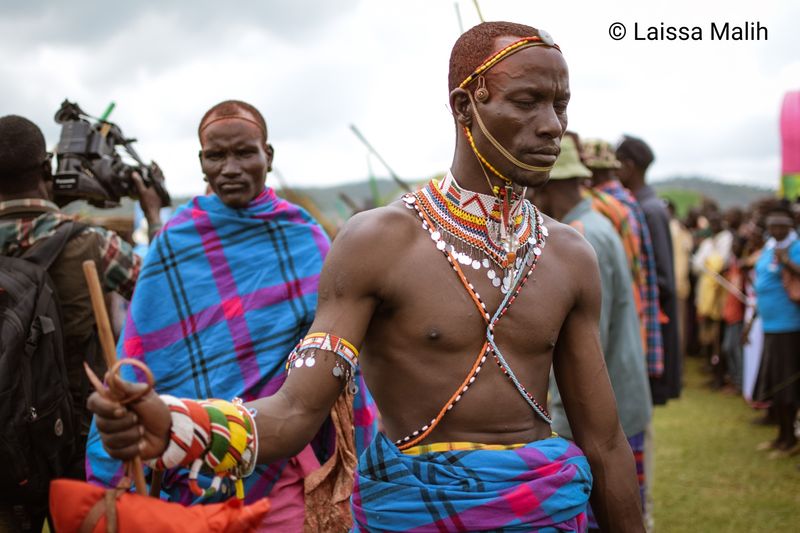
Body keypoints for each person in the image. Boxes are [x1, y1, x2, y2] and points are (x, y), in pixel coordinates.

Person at [89, 22, 645, 531]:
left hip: (546, 513)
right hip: (410, 514)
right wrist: (177, 424)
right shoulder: (377, 243)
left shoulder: (569, 253)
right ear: (465, 105)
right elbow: (296, 410)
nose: (552, 126)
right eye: (528, 102)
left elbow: (605, 443)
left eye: (560, 105)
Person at [84, 100, 377, 531]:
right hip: (187, 464)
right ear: (201, 162)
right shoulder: (174, 242)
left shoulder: (303, 238)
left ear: (268, 157)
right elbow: (144, 353)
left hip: (280, 458)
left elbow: (335, 353)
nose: (231, 168)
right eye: (216, 156)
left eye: (244, 153)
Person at [0, 115, 162, 532]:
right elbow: (163, 296)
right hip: (73, 439)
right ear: (47, 170)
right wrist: (154, 217)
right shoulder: (91, 242)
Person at [534, 134, 652, 530]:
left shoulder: (582, 237)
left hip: (603, 420)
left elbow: (584, 355)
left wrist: (562, 432)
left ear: (546, 188)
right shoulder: (593, 226)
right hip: (619, 404)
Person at [616, 135, 681, 403]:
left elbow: (663, 278)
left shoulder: (649, 210)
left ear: (629, 166)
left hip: (652, 321)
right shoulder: (640, 206)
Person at [752, 204, 800, 457]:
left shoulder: (795, 247)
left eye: (781, 225)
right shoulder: (769, 246)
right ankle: (780, 435)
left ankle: (789, 439)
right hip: (769, 324)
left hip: (788, 324)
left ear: (790, 227)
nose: (776, 229)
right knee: (776, 384)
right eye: (772, 225)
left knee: (787, 385)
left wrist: (787, 262)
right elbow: (761, 282)